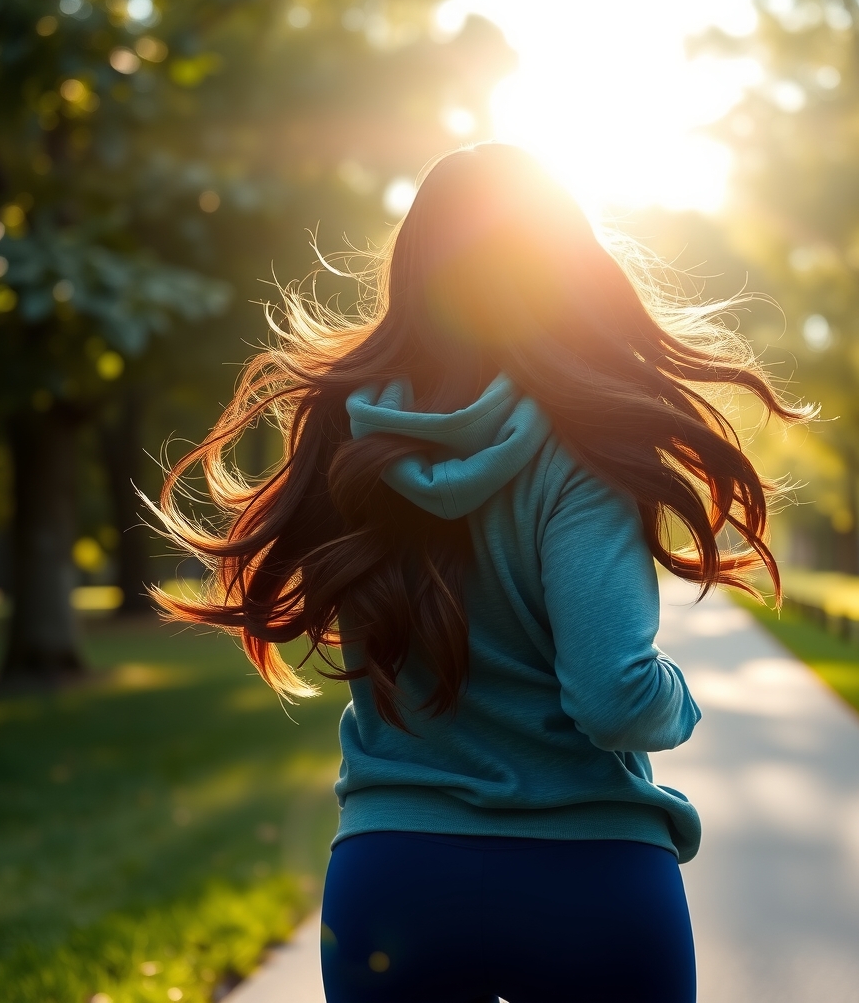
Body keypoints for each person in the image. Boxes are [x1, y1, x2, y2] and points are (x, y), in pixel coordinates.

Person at [150, 143, 804, 1003]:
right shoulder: (588, 450)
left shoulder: (354, 438)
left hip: (396, 880)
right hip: (588, 881)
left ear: (415, 274)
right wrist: (678, 699)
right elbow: (612, 696)